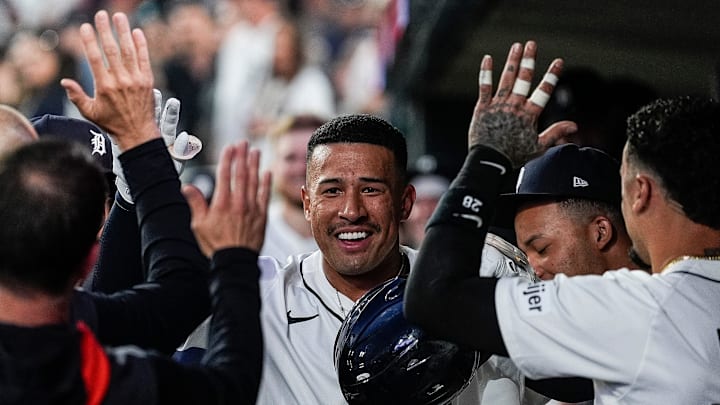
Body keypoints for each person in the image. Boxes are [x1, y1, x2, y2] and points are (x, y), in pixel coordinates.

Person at [405, 40, 720, 404]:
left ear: (640, 192)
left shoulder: (637, 309)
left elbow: (434, 296)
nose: (533, 267)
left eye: (540, 247)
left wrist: (488, 158)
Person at [0, 9, 269, 404]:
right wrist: (142, 149)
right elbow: (178, 307)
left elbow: (158, 304)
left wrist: (135, 185)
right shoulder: (99, 378)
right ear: (90, 258)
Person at [259, 114, 324, 262]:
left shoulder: (354, 233)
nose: (301, 168)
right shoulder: (253, 231)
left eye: (311, 157)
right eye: (290, 158)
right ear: (274, 165)